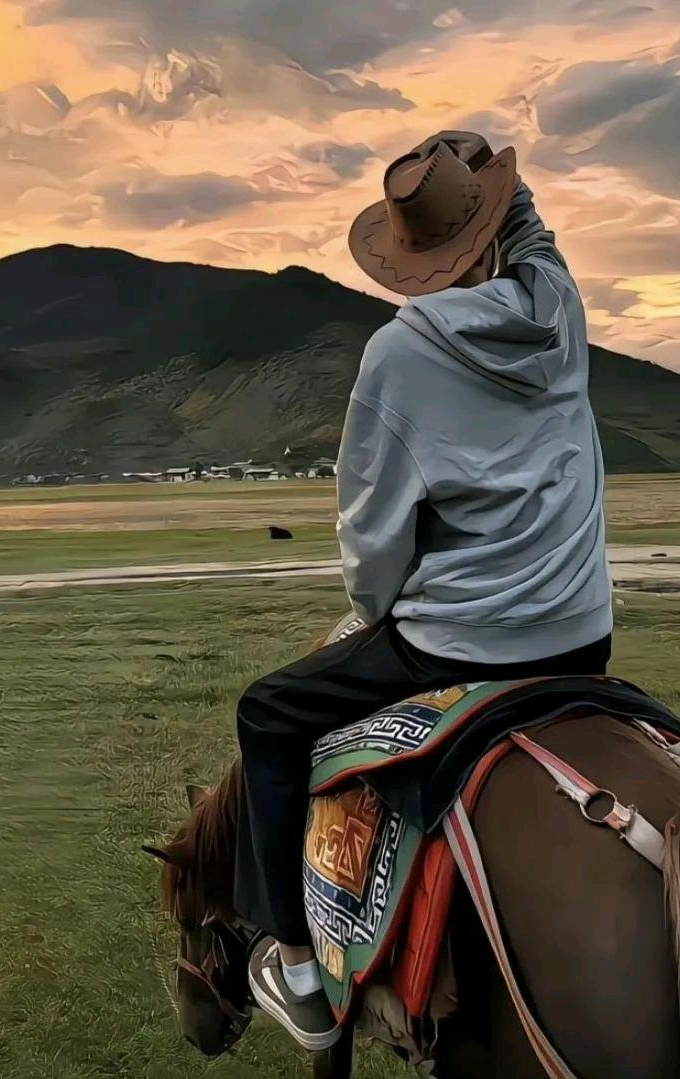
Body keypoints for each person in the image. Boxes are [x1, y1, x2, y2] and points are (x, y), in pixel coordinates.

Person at [234, 131, 614, 1050]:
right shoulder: (557, 305)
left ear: (407, 256)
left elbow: (372, 535)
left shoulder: (397, 356)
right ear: (490, 227)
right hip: (582, 634)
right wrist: (492, 177)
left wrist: (372, 616)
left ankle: (297, 970)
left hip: (460, 644)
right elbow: (532, 232)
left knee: (266, 715)